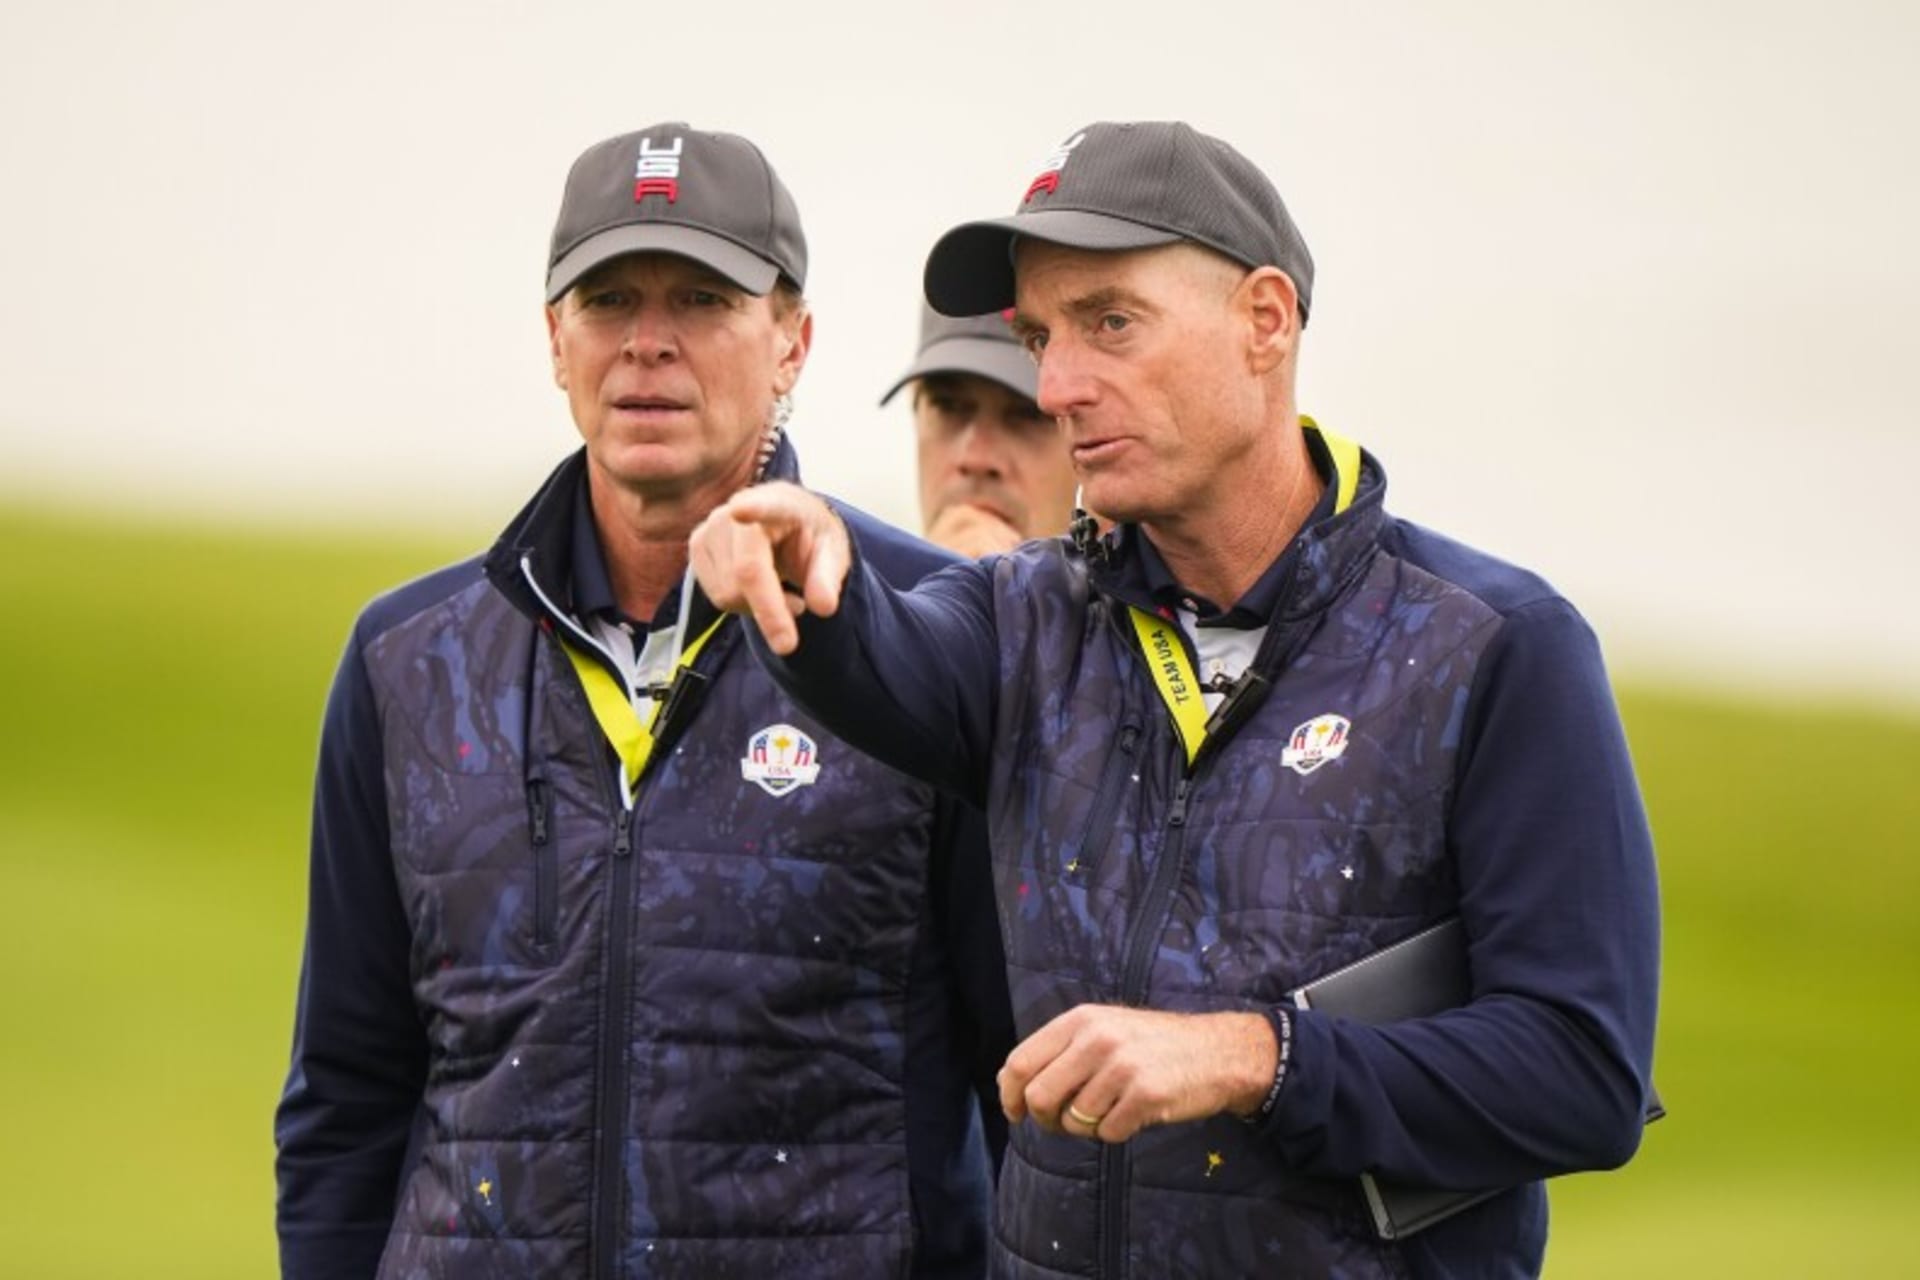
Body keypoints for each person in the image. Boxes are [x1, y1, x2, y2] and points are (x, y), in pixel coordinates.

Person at [689, 121, 1661, 1278]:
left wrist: (1256, 1056)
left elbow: (1582, 1073)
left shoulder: (1498, 644)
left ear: (1265, 320)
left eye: (1110, 322)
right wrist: (813, 567)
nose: (1057, 386)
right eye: (1041, 337)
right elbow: (885, 652)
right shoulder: (1023, 616)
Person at [274, 122, 1011, 1279]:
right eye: (609, 299)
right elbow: (348, 1092)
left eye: (703, 299)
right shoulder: (407, 658)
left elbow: (1027, 1089)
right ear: (554, 339)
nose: (647, 342)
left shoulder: (930, 633)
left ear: (793, 341)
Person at [881, 305, 1074, 556]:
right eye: (948, 405)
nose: (977, 459)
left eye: (1029, 413)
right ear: (915, 412)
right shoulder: (839, 574)